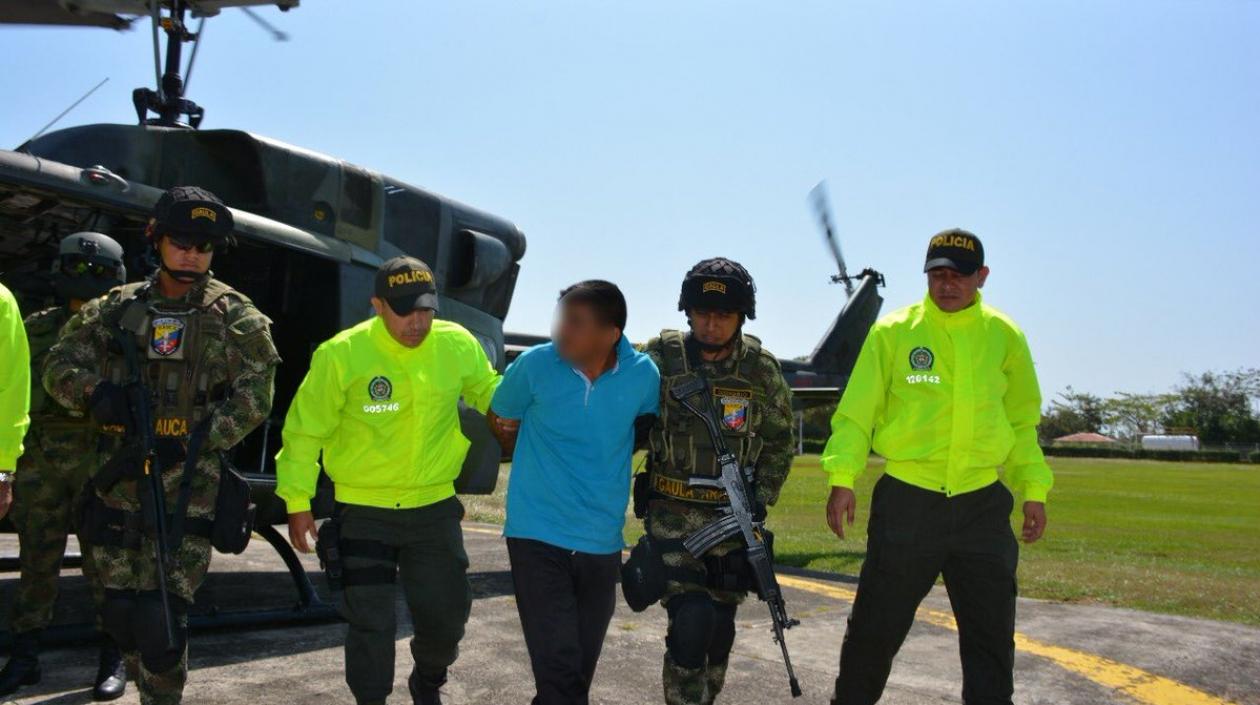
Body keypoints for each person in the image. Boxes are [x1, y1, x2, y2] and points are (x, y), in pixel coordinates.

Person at [43, 186, 280, 705]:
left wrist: (198, 441)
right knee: (121, 613)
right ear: (157, 239)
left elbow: (257, 394)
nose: (192, 253)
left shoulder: (234, 315)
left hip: (188, 489)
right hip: (118, 478)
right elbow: (59, 366)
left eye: (205, 245)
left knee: (161, 621)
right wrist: (96, 394)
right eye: (182, 241)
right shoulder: (118, 307)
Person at [822, 229, 1054, 705]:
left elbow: (1021, 422)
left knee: (991, 640)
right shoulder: (892, 333)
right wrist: (842, 478)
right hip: (908, 502)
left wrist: (1033, 487)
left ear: (981, 276)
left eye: (959, 275)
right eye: (938, 275)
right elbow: (856, 415)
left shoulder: (1005, 336)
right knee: (873, 632)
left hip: (981, 506)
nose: (948, 284)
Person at [276, 256, 501, 705]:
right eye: (404, 310)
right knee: (370, 623)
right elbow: (304, 432)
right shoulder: (341, 354)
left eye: (426, 310)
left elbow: (487, 390)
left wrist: (521, 401)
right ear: (377, 305)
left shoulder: (456, 344)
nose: (417, 322)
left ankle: (428, 678)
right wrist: (297, 502)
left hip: (433, 509)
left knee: (446, 616)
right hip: (364, 510)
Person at [487, 280, 660, 705]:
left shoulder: (643, 376)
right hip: (536, 533)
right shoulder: (534, 365)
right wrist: (517, 444)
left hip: (601, 539)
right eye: (562, 318)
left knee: (576, 669)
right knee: (559, 668)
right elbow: (500, 414)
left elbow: (643, 426)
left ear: (611, 333)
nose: (561, 330)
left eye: (576, 322)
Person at [637, 257, 795, 705]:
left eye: (723, 314)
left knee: (719, 630)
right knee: (692, 622)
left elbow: (780, 440)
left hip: (731, 523)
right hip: (671, 516)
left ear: (742, 316)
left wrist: (761, 497)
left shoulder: (760, 370)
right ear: (687, 311)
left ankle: (703, 697)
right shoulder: (659, 359)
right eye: (703, 313)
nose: (711, 323)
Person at [0, 232, 129, 701]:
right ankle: (25, 656)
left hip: (101, 460)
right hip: (42, 461)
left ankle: (113, 655)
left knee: (105, 562)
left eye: (95, 271)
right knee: (37, 561)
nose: (85, 278)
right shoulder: (35, 326)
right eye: (77, 268)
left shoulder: (126, 333)